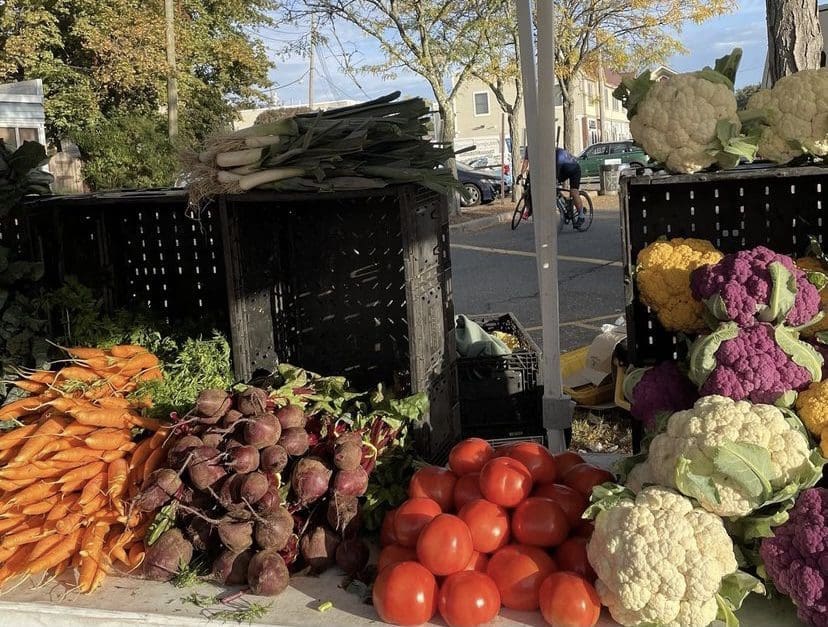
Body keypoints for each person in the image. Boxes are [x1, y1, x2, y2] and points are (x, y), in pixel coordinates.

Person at [518, 146, 585, 225]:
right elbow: (527, 163)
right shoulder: (530, 149)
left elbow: (555, 173)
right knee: (551, 184)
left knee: (573, 192)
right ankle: (564, 202)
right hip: (563, 170)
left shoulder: (559, 155)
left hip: (574, 170)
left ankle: (581, 215)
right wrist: (521, 174)